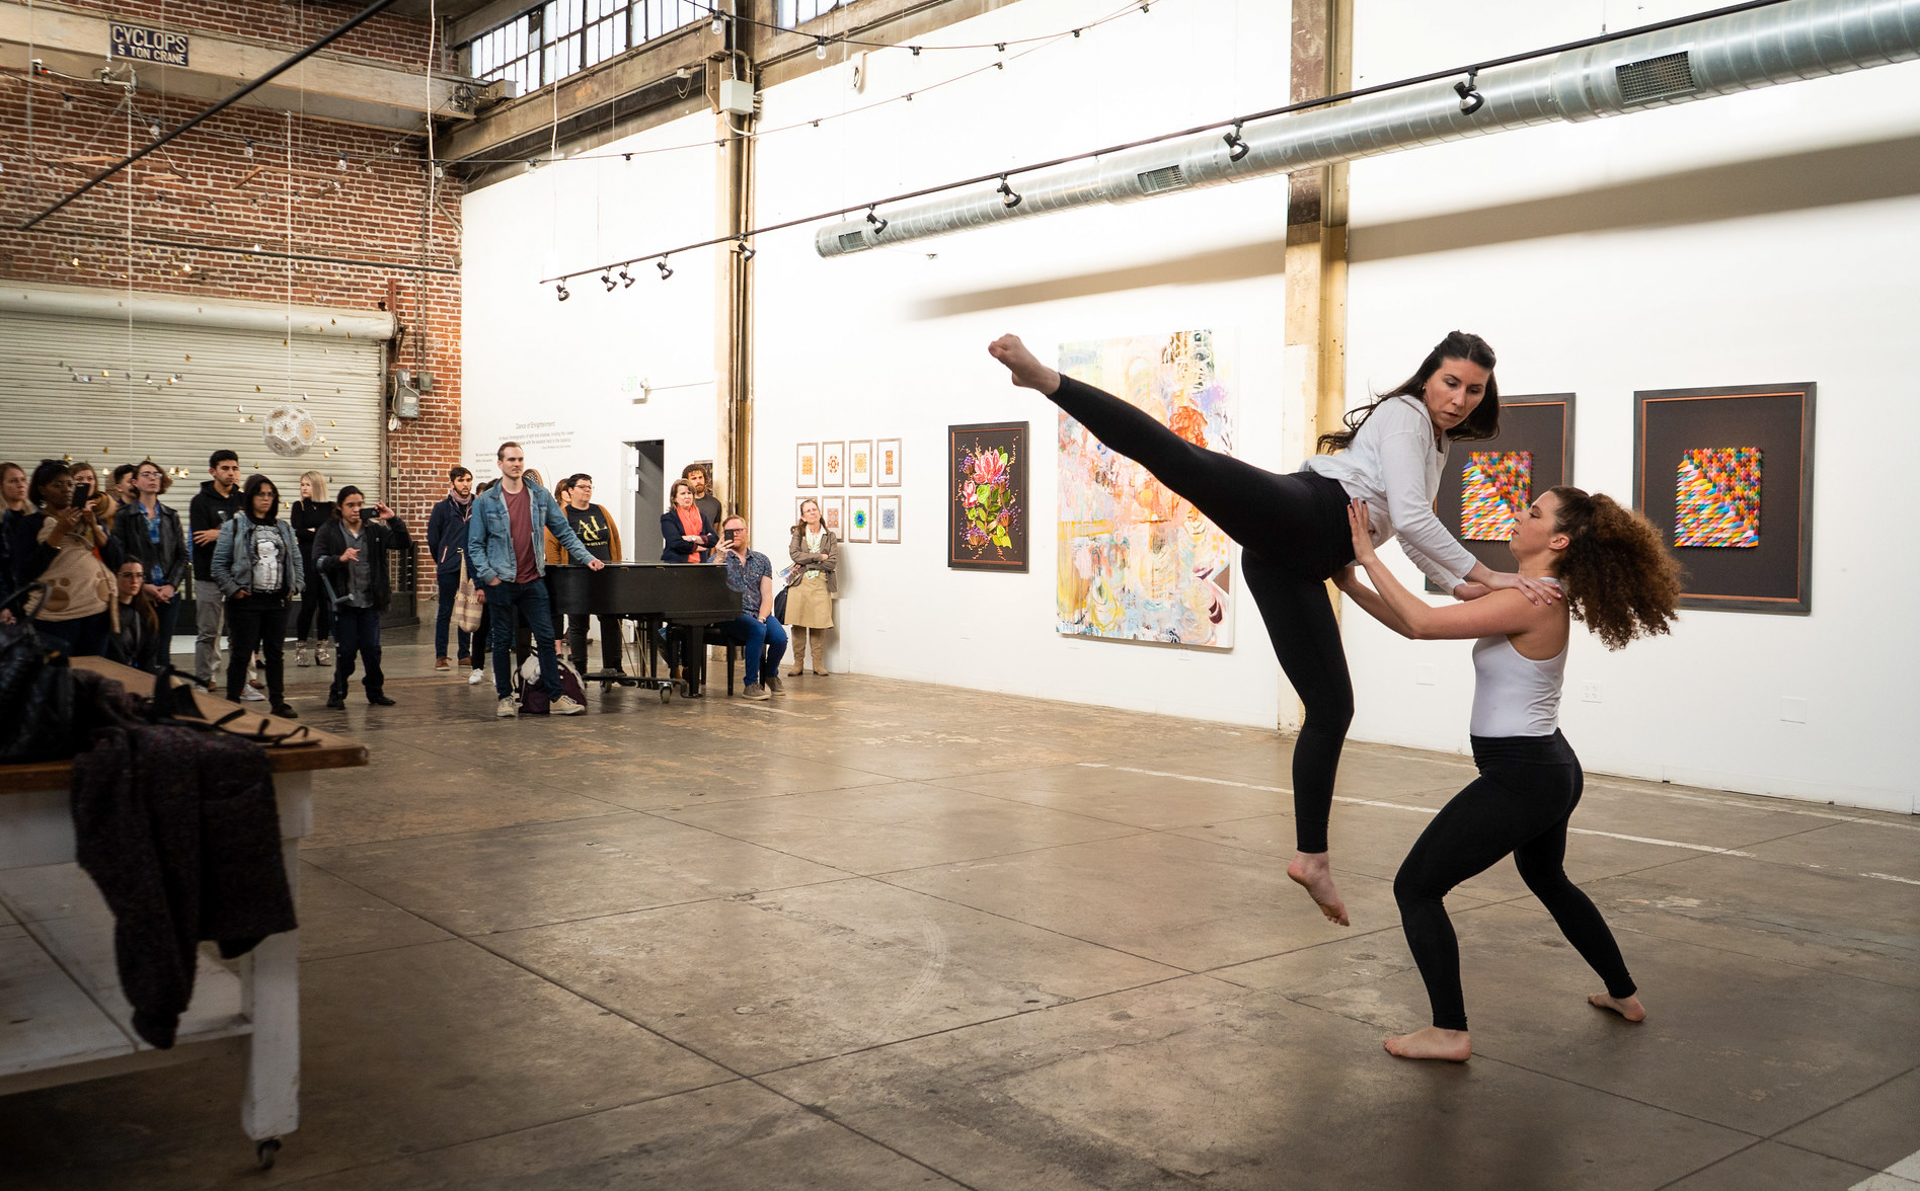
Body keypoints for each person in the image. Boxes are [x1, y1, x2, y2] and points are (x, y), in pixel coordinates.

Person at [986, 331, 1557, 927]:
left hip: (1300, 559)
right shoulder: (1406, 413)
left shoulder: (1435, 442)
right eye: (1451, 382)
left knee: (1333, 708)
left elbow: (1408, 523)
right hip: (1306, 514)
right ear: (1426, 378)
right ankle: (1046, 380)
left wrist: (1464, 582)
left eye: (1474, 389)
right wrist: (1487, 577)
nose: (1461, 397)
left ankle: (1311, 857)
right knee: (1179, 458)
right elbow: (1412, 517)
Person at [1337, 487, 1680, 1061]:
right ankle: (1625, 995)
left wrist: (1370, 557)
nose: (1519, 519)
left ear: (1559, 540)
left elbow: (1421, 622)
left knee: (1416, 888)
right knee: (1548, 879)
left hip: (1524, 774)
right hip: (1549, 766)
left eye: (1534, 514)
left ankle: (1449, 1031)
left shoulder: (1537, 600)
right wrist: (1350, 584)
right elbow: (1410, 624)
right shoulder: (1527, 591)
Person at [467, 441, 603, 718]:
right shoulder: (485, 502)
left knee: (546, 638)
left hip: (533, 580)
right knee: (503, 641)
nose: (516, 464)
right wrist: (488, 576)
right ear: (500, 464)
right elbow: (474, 546)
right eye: (511, 460)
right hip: (501, 581)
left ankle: (556, 696)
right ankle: (505, 697)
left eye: (519, 459)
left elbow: (563, 531)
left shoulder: (539, 495)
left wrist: (586, 556)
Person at [212, 474, 301, 718]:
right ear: (250, 496)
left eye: (270, 494)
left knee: (275, 654)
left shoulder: (282, 527)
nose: (266, 499)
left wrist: (296, 585)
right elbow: (219, 565)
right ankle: (231, 703)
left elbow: (295, 558)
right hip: (245, 601)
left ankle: (278, 702)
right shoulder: (235, 526)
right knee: (241, 654)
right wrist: (233, 590)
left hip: (277, 601)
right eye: (261, 494)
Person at [313, 486, 409, 710]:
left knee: (372, 650)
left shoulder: (374, 531)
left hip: (370, 601)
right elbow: (316, 561)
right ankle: (337, 692)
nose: (356, 509)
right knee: (346, 652)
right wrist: (339, 558)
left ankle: (375, 692)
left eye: (360, 504)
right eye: (351, 505)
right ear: (340, 507)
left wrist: (392, 519)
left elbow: (403, 543)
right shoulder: (329, 530)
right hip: (343, 603)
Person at [21, 460, 120, 657]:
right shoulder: (29, 524)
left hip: (96, 608)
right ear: (42, 490)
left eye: (70, 484)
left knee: (94, 671)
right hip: (56, 614)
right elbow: (26, 571)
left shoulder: (88, 519)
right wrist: (59, 531)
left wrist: (93, 524)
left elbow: (116, 560)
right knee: (60, 675)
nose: (66, 490)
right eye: (57, 485)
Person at [109, 459, 188, 673]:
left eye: (156, 474)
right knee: (139, 647)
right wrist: (143, 586)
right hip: (139, 591)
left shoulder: (171, 516)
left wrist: (171, 586)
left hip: (168, 593)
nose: (152, 478)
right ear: (135, 482)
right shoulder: (124, 515)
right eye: (146, 474)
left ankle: (160, 697)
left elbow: (182, 555)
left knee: (162, 648)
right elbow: (119, 554)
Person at [548, 473, 625, 676]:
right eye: (582, 486)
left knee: (610, 620)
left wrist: (616, 567)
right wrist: (559, 576)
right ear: (570, 491)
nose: (587, 490)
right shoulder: (562, 515)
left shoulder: (601, 511)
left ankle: (614, 667)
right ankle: (579, 669)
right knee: (578, 624)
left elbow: (614, 539)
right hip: (576, 578)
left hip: (605, 576)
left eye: (590, 486)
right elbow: (553, 547)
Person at [188, 449, 245, 691]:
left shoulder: (242, 500)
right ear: (213, 471)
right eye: (225, 468)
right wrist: (233, 533)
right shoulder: (200, 502)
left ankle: (240, 681)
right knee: (208, 632)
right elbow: (202, 538)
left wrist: (219, 533)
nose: (231, 473)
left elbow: (248, 533)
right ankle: (204, 678)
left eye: (234, 468)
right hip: (208, 574)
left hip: (238, 574)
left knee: (240, 633)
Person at [717, 515, 787, 701]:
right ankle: (750, 684)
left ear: (746, 532)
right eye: (730, 532)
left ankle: (770, 674)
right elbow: (706, 584)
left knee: (780, 638)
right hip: (732, 614)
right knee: (757, 630)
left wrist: (763, 618)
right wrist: (718, 557)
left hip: (758, 611)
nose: (735, 534)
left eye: (739, 530)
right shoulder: (719, 560)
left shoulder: (761, 560)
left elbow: (767, 595)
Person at [427, 465, 477, 672]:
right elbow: (433, 539)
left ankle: (464, 654)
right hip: (448, 566)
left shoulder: (477, 505)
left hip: (469, 567)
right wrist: (442, 559)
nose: (465, 485)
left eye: (468, 480)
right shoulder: (442, 508)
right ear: (452, 483)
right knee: (445, 611)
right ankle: (441, 656)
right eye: (461, 481)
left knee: (466, 610)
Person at [786, 497, 838, 677]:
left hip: (821, 583)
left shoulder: (829, 536)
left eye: (814, 509)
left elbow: (831, 563)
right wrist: (818, 557)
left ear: (819, 512)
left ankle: (818, 663)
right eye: (808, 511)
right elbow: (794, 555)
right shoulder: (798, 534)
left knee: (818, 624)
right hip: (800, 584)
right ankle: (797, 663)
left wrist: (808, 561)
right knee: (798, 624)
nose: (812, 512)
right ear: (803, 517)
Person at [290, 470, 335, 669]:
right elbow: (297, 530)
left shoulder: (331, 508)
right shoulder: (298, 506)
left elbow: (331, 533)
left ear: (317, 485)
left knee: (325, 605)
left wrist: (312, 533)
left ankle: (322, 648)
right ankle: (300, 647)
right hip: (307, 559)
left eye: (307, 484)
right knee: (308, 604)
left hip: (326, 561)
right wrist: (317, 532)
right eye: (302, 484)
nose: (304, 488)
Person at [107, 558, 158, 667]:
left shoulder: (145, 614)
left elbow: (148, 658)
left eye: (139, 575)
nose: (134, 580)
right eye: (127, 575)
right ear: (115, 577)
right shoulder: (104, 613)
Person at [660, 479, 716, 562]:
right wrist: (698, 546)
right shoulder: (668, 518)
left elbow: (714, 539)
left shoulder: (702, 517)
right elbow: (676, 543)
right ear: (674, 498)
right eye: (683, 493)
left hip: (700, 564)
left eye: (689, 493)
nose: (687, 496)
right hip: (677, 565)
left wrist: (692, 538)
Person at [682, 463, 723, 530]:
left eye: (700, 477)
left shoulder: (715, 503)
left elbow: (715, 531)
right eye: (694, 478)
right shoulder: (683, 503)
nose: (698, 481)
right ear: (687, 481)